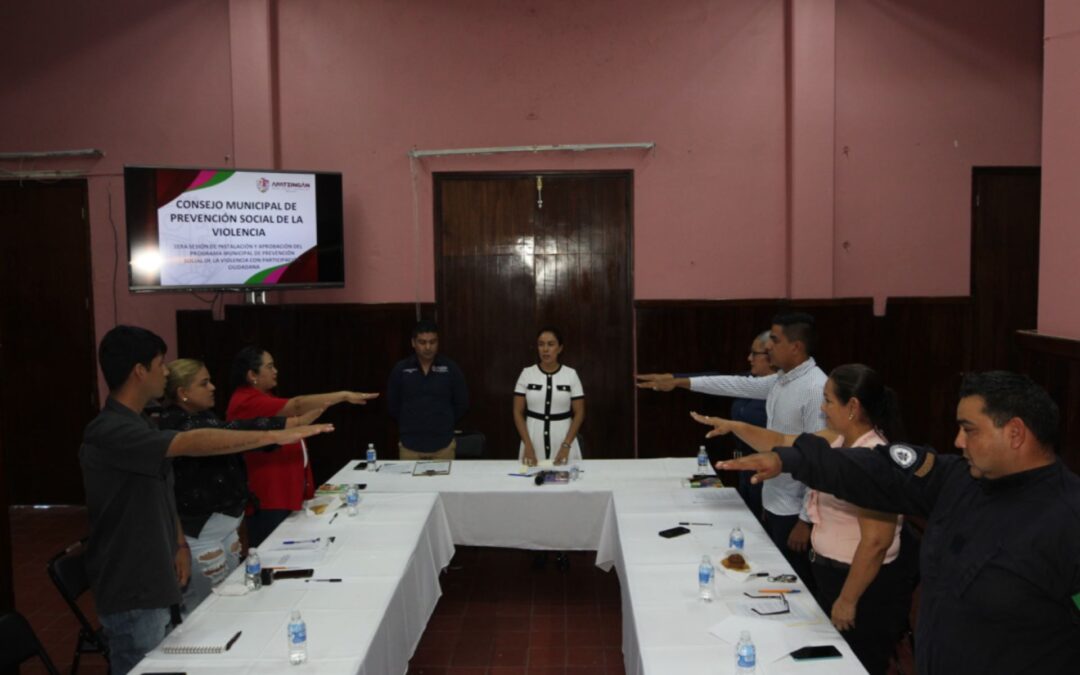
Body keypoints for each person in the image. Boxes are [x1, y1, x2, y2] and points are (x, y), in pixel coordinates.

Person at [718, 371, 1080, 674]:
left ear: (1015, 432)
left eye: (969, 429)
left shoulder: (1068, 518)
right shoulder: (957, 480)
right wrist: (790, 460)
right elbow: (876, 469)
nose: (957, 441)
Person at [79, 326, 332, 675]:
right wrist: (275, 434)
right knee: (142, 665)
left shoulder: (139, 423)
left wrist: (180, 544)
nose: (165, 371)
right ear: (139, 371)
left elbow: (163, 493)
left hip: (157, 571)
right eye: (159, 363)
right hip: (132, 583)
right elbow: (192, 442)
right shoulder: (112, 431)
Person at [693, 364, 910, 674]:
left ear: (853, 407)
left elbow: (876, 541)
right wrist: (735, 426)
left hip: (862, 586)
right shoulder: (837, 439)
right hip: (831, 574)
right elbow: (782, 439)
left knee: (857, 663)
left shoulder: (875, 456)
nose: (822, 408)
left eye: (829, 401)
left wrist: (848, 599)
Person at [638, 312, 826, 586]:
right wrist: (679, 381)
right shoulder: (783, 380)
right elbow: (733, 383)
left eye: (774, 339)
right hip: (774, 498)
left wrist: (805, 520)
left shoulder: (815, 388)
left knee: (798, 584)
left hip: (795, 509)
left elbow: (820, 457)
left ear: (796, 346)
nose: (769, 346)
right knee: (776, 578)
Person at [160, 358, 325, 614]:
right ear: (182, 393)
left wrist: (288, 426)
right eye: (204, 383)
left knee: (229, 599)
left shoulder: (204, 416)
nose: (213, 387)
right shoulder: (177, 425)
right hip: (200, 532)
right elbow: (236, 430)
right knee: (202, 611)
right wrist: (282, 429)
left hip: (226, 526)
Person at [227, 346, 378, 546]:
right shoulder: (247, 401)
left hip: (285, 491)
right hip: (270, 497)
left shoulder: (265, 397)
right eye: (270, 367)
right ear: (252, 375)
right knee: (273, 551)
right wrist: (342, 396)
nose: (275, 371)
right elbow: (296, 404)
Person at [386, 320, 469, 460]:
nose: (428, 347)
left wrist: (442, 421)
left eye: (433, 342)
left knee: (444, 483)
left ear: (438, 342)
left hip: (444, 446)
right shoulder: (401, 369)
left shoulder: (450, 368)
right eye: (422, 342)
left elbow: (462, 404)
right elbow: (392, 406)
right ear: (413, 343)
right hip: (409, 447)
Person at [513, 327, 586, 466]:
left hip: (564, 441)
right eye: (541, 344)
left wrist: (566, 446)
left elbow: (580, 412)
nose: (545, 349)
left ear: (560, 348)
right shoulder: (527, 374)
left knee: (568, 485)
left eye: (551, 344)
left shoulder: (571, 375)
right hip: (532, 441)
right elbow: (517, 411)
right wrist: (527, 445)